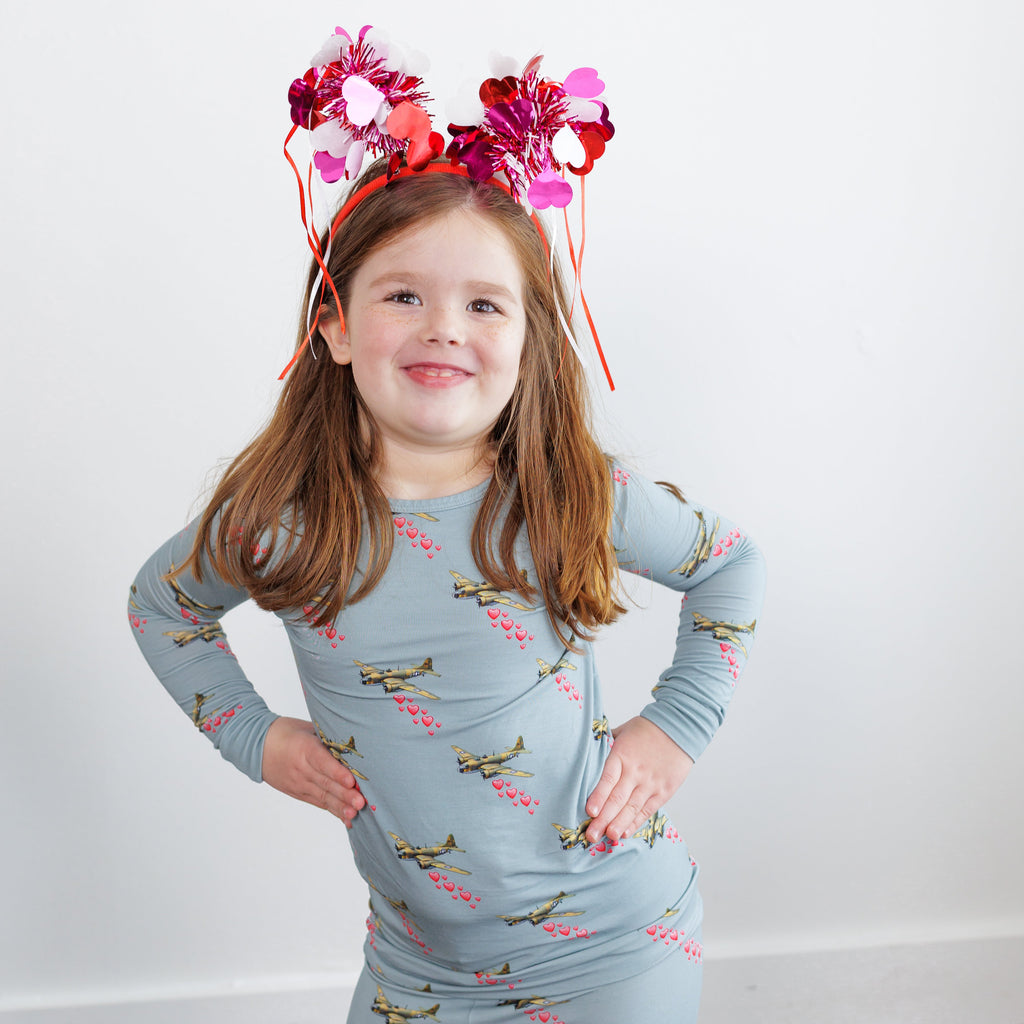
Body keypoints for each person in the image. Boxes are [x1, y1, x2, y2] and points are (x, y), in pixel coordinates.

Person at [128, 28, 766, 1023]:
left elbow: (730, 564)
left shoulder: (571, 493)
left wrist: (674, 728)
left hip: (612, 943)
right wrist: (253, 737)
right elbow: (160, 604)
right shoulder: (278, 521)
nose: (444, 327)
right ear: (334, 328)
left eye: (483, 303)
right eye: (403, 295)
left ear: (525, 344)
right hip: (419, 966)